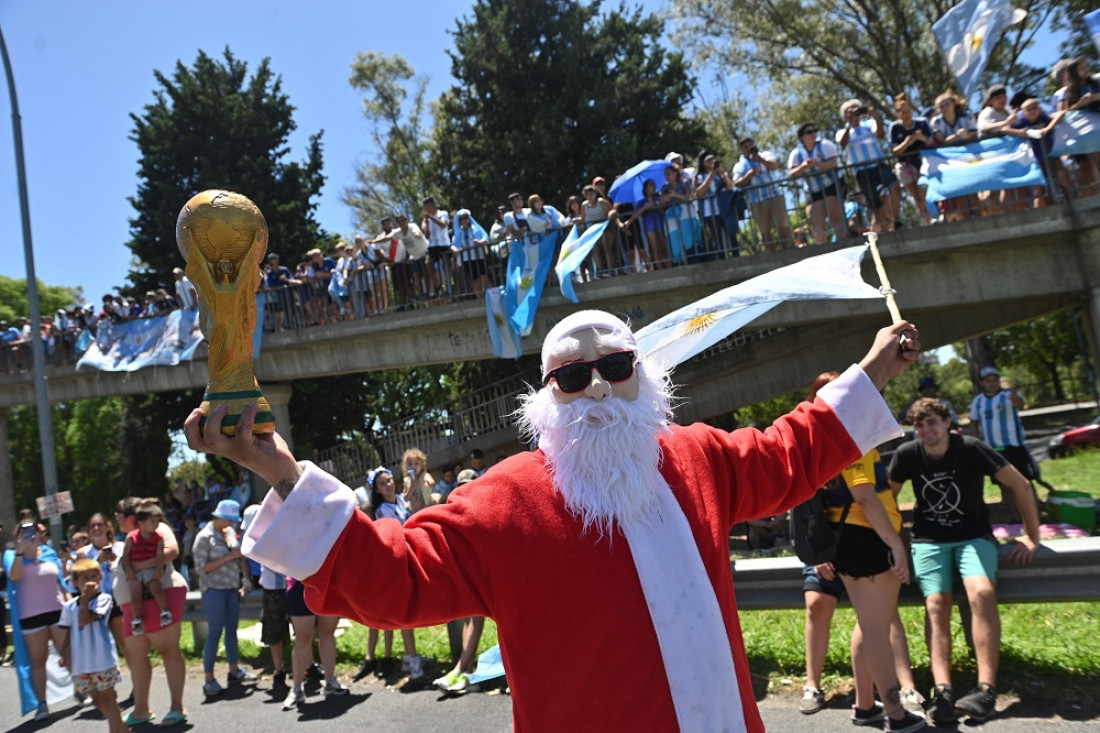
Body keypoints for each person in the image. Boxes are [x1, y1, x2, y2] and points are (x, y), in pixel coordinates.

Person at [188, 305, 920, 731]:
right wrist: (279, 471)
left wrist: (874, 370)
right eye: (573, 376)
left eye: (615, 367)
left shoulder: (698, 456)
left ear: (642, 374)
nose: (598, 387)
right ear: (548, 397)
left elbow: (791, 449)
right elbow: (393, 580)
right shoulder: (505, 499)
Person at [889, 398, 1041, 724]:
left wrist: (1032, 536)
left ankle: (986, 690)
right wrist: (895, 544)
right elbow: (883, 500)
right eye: (919, 425)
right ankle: (942, 690)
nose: (926, 431)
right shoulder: (908, 455)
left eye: (932, 422)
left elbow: (1021, 484)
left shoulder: (970, 447)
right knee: (936, 605)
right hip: (930, 540)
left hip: (974, 535)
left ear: (947, 423)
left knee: (982, 592)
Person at [804, 372, 926, 732]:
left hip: (849, 538)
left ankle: (864, 705)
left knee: (868, 623)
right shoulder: (849, 435)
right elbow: (865, 496)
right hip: (867, 538)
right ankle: (896, 715)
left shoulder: (822, 436)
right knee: (878, 630)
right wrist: (895, 544)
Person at [112, 497, 188, 727]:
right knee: (135, 656)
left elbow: (172, 551)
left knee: (167, 650)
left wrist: (138, 567)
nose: (117, 521)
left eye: (119, 517)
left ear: (132, 517)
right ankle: (141, 709)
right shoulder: (128, 537)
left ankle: (177, 707)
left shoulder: (158, 527)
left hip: (158, 595)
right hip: (132, 604)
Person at [5, 521, 69, 721]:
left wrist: (69, 601)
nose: (31, 536)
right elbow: (14, 577)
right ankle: (42, 704)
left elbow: (60, 581)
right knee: (37, 661)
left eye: (35, 532)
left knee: (68, 654)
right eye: (25, 533)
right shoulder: (11, 555)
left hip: (57, 611)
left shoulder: (49, 553)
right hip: (30, 616)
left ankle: (82, 690)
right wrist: (20, 552)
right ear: (18, 537)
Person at [58, 558, 131, 733]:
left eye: (93, 576)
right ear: (75, 583)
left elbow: (85, 620)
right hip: (81, 663)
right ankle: (122, 729)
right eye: (84, 579)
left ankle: (115, 730)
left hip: (102, 660)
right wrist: (63, 653)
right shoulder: (69, 607)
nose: (90, 581)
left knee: (108, 698)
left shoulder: (104, 599)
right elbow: (68, 630)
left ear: (100, 577)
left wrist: (84, 600)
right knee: (97, 701)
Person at [192, 499, 256, 697]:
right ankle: (209, 678)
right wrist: (228, 557)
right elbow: (201, 569)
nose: (231, 524)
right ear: (218, 517)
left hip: (231, 588)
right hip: (213, 589)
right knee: (215, 632)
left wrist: (245, 581)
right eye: (228, 520)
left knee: (232, 631)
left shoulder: (229, 533)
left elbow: (241, 558)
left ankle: (234, 669)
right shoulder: (204, 537)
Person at [967, 366, 1042, 521]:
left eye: (995, 380)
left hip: (1014, 446)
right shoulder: (978, 401)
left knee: (1026, 482)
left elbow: (1020, 405)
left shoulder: (1008, 395)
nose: (992, 383)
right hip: (994, 449)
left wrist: (1015, 397)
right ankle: (1015, 518)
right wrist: (978, 441)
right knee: (1004, 485)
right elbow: (973, 421)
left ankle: (1035, 516)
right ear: (982, 383)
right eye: (988, 381)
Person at [836, 99, 899, 232]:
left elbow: (880, 135)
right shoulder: (842, 132)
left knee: (893, 186)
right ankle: (885, 229)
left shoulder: (869, 124)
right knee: (875, 202)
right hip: (862, 171)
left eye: (856, 109)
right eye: (850, 111)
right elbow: (842, 143)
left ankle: (897, 220)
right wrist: (849, 124)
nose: (854, 113)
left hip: (879, 164)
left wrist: (875, 116)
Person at [789, 122, 847, 244]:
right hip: (812, 189)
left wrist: (817, 164)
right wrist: (803, 167)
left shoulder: (825, 145)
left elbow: (833, 163)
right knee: (815, 222)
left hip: (830, 184)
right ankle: (822, 249)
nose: (813, 134)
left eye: (815, 130)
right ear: (802, 137)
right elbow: (792, 173)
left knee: (835, 216)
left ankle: (843, 244)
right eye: (809, 132)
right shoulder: (796, 154)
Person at [120, 504, 173, 635]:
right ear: (141, 523)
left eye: (157, 521)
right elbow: (125, 556)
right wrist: (130, 571)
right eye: (152, 521)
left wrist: (158, 571)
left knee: (156, 588)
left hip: (150, 568)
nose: (156, 524)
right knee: (135, 594)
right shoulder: (132, 537)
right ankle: (136, 619)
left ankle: (165, 611)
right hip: (135, 569)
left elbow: (159, 555)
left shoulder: (158, 538)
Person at [733, 137, 791, 251]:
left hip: (775, 195)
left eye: (750, 144)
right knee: (765, 232)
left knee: (782, 226)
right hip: (756, 200)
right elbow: (737, 183)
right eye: (745, 146)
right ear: (741, 150)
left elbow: (774, 165)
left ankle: (788, 251)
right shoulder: (739, 166)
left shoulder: (765, 155)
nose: (749, 148)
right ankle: (772, 257)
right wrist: (749, 174)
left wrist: (760, 160)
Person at [888, 94, 934, 227]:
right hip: (905, 166)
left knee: (924, 194)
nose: (906, 114)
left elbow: (931, 141)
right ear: (897, 114)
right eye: (902, 112)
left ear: (912, 111)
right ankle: (926, 224)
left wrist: (921, 138)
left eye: (908, 111)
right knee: (918, 198)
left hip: (924, 162)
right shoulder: (895, 128)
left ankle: (930, 221)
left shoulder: (922, 123)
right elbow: (895, 150)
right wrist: (907, 142)